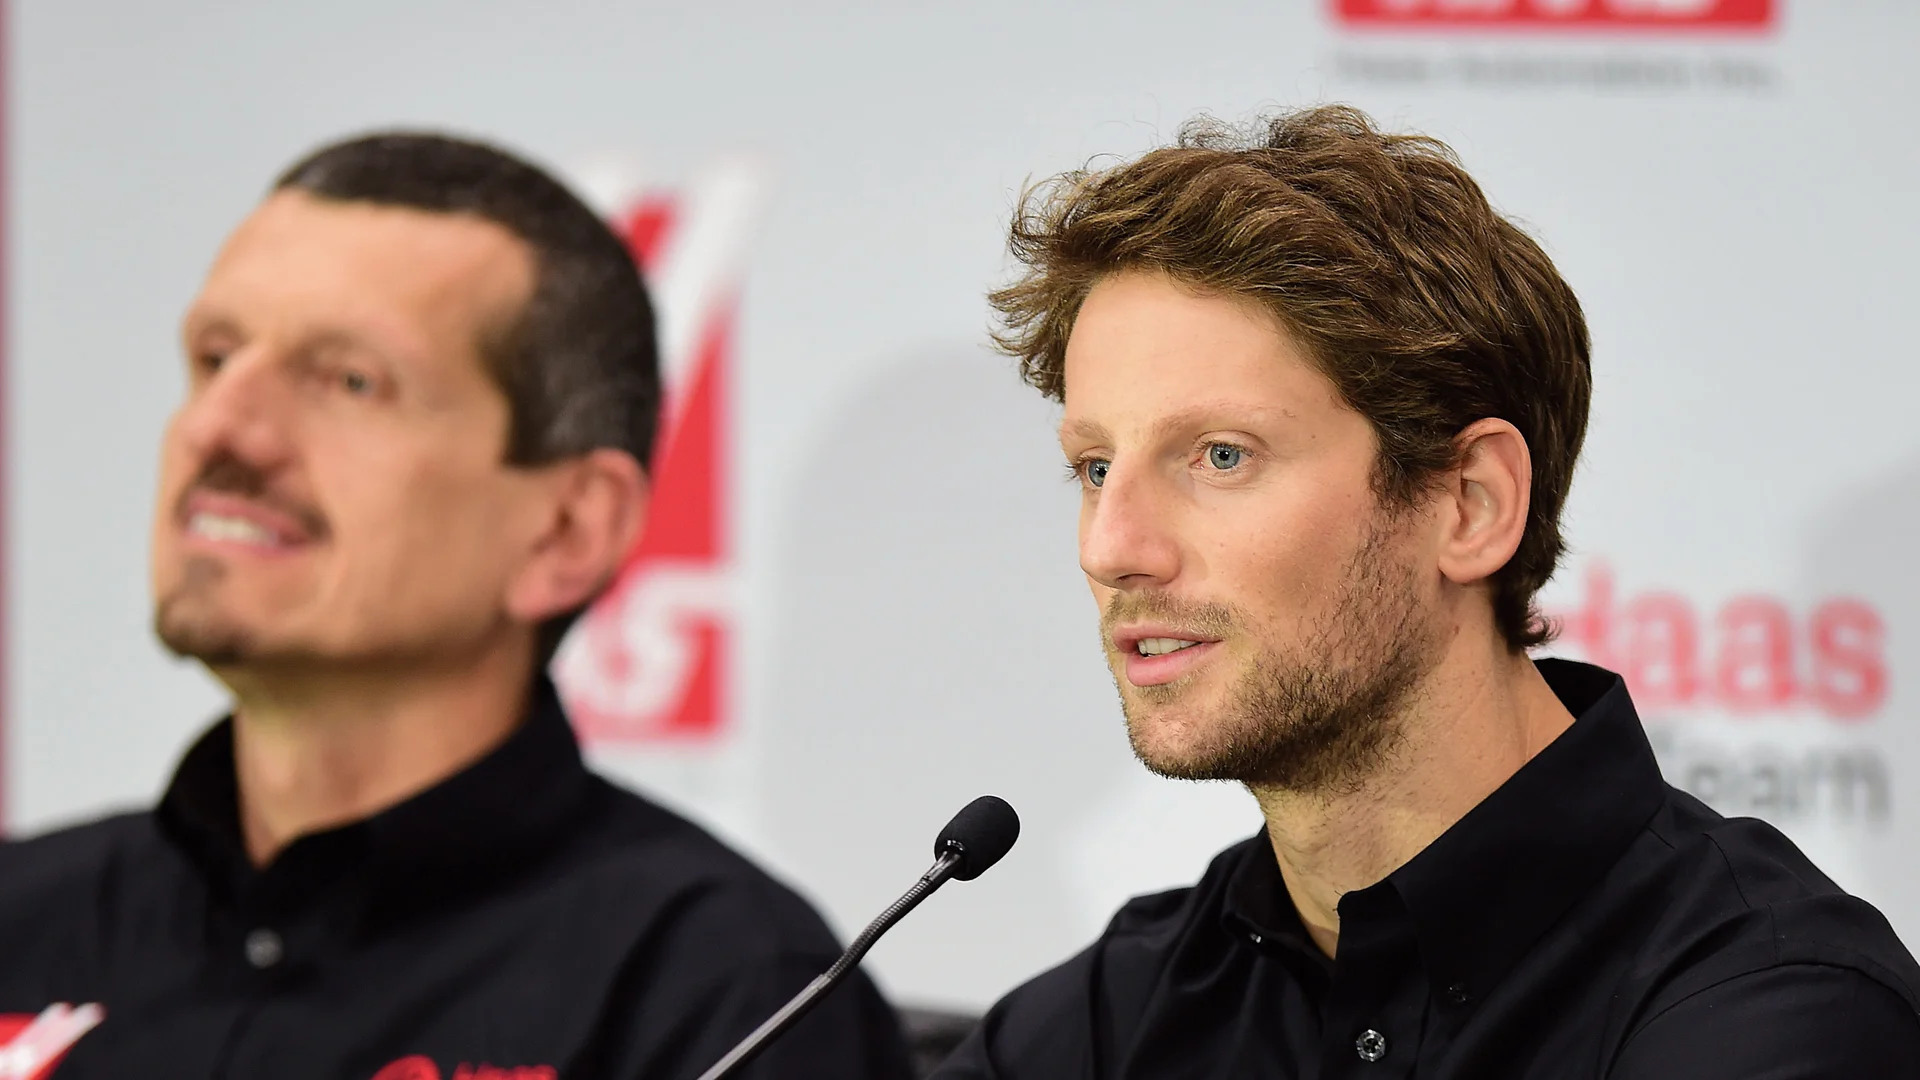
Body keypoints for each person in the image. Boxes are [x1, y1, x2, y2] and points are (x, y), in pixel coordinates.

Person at [936, 105, 1920, 1078]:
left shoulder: (1775, 1011)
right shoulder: (1111, 1022)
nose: (1112, 547)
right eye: (1097, 467)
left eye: (1221, 455)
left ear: (1470, 504)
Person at [0, 132, 912, 1080]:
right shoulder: (20, 913)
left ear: (567, 528)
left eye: (351, 380)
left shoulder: (725, 993)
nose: (218, 427)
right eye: (216, 356)